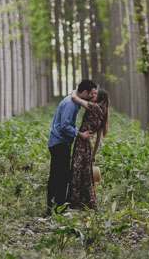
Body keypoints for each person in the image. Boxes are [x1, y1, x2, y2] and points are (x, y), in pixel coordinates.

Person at [47, 79, 97, 212]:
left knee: (57, 174)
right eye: (91, 93)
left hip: (59, 142)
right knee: (61, 176)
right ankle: (58, 207)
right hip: (59, 142)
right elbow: (65, 126)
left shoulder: (73, 101)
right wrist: (81, 135)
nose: (92, 96)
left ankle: (53, 205)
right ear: (84, 92)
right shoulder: (71, 104)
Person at [67, 88, 109, 210]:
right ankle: (86, 202)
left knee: (76, 170)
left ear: (100, 98)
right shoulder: (102, 113)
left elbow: (75, 98)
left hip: (81, 143)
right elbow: (98, 138)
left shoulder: (94, 107)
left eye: (95, 94)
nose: (92, 95)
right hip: (88, 146)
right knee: (86, 173)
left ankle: (75, 201)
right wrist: (94, 155)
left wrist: (75, 91)